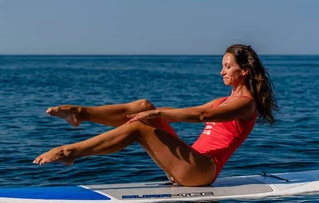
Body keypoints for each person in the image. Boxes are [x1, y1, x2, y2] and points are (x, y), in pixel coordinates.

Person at [33, 44, 277, 187]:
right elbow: (183, 114)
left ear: (243, 71)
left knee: (141, 125)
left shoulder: (247, 105)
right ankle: (80, 114)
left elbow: (201, 115)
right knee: (142, 105)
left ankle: (70, 152)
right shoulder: (223, 100)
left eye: (227, 66)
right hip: (188, 165)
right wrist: (150, 111)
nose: (221, 71)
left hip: (202, 171)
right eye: (222, 65)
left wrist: (156, 114)